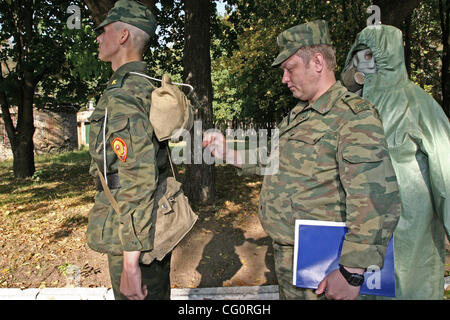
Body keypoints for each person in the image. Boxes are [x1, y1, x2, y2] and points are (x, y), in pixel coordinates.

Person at [203, 20, 401, 300]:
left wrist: (352, 272)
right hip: (293, 262)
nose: (284, 78)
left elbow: (376, 199)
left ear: (317, 62)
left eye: (290, 68)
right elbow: (278, 157)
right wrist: (229, 153)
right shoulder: (299, 114)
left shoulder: (353, 117)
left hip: (327, 267)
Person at [342, 24, 450, 299]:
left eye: (370, 56)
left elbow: (446, 177)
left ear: (389, 56)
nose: (362, 63)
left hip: (408, 232)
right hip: (358, 232)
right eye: (358, 56)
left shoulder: (417, 104)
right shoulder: (348, 108)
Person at [86, 0, 171, 300]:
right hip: (148, 222)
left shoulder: (123, 95)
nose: (97, 37)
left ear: (122, 36)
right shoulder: (146, 85)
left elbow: (137, 175)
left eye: (103, 30)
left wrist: (131, 263)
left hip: (134, 234)